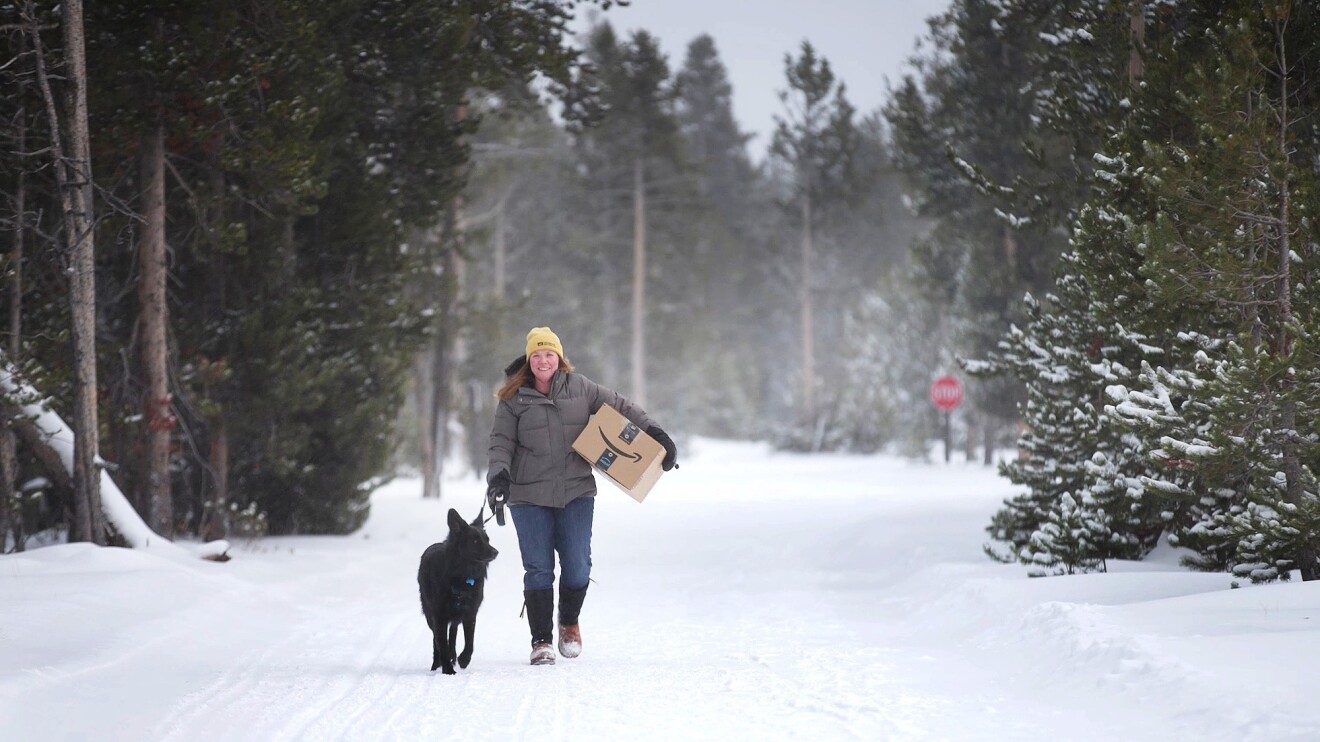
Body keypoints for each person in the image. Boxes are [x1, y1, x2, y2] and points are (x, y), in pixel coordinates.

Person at [486, 326, 678, 666]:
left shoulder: (581, 387)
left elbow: (621, 406)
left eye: (549, 354)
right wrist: (499, 475)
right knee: (539, 569)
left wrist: (655, 433)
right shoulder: (513, 399)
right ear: (528, 360)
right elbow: (501, 442)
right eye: (536, 354)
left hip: (576, 491)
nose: (543, 360)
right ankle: (541, 641)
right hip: (528, 495)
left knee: (577, 566)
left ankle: (569, 623)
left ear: (559, 358)